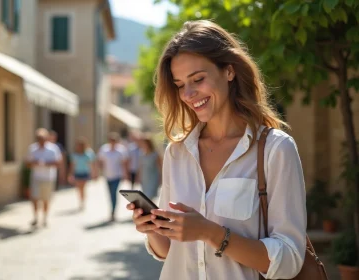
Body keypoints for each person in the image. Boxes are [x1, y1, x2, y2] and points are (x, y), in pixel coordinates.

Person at [126, 20, 307, 280]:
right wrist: (151, 229)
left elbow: (289, 260)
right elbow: (169, 252)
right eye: (179, 85)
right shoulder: (177, 153)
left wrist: (210, 232)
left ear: (229, 71)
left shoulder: (275, 149)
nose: (188, 94)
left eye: (198, 79)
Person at [27, 128, 62, 227]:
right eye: (39, 138)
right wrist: (35, 163)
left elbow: (58, 162)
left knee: (46, 199)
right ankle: (35, 217)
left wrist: (45, 163)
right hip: (36, 177)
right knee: (34, 198)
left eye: (42, 138)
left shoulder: (53, 148)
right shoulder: (32, 148)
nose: (40, 140)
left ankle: (45, 218)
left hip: (48, 178)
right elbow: (28, 163)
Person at [98, 132, 128, 222]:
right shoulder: (104, 149)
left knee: (114, 193)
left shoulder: (121, 150)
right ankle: (112, 210)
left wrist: (125, 174)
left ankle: (113, 212)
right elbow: (100, 161)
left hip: (117, 175)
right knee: (110, 194)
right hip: (107, 175)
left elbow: (124, 163)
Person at [68, 137, 97, 211]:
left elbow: (91, 164)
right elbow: (72, 165)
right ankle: (81, 200)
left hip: (85, 173)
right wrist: (71, 174)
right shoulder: (75, 155)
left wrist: (94, 173)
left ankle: (83, 201)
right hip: (77, 173)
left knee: (83, 188)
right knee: (79, 188)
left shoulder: (88, 153)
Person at [138, 134, 162, 200]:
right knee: (145, 196)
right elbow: (141, 167)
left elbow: (160, 167)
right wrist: (139, 177)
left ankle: (151, 210)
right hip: (145, 178)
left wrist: (161, 178)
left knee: (150, 196)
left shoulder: (155, 154)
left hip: (153, 178)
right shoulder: (141, 154)